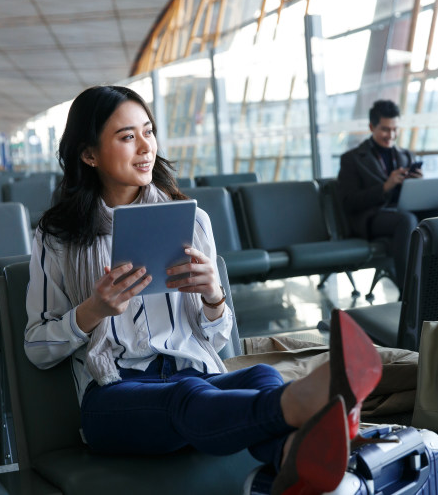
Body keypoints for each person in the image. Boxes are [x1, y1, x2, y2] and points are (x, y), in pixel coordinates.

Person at [25, 85, 382, 494]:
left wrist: (213, 296)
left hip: (192, 371)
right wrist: (93, 310)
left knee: (260, 374)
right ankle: (299, 403)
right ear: (89, 155)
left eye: (148, 131)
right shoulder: (57, 237)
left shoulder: (192, 221)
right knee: (188, 394)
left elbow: (214, 338)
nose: (145, 147)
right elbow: (37, 349)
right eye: (127, 137)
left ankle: (291, 459)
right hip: (113, 395)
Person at [337, 99, 438, 289]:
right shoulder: (352, 159)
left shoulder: (406, 155)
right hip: (372, 217)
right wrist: (385, 187)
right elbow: (349, 202)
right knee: (407, 220)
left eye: (395, 129)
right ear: (371, 127)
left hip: (402, 211)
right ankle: (408, 291)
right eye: (385, 129)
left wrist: (417, 185)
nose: (391, 135)